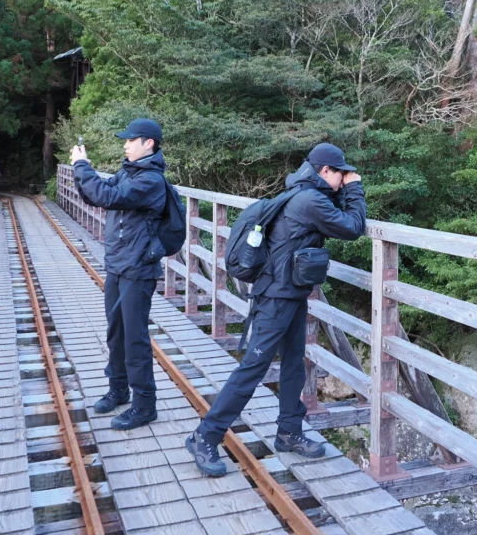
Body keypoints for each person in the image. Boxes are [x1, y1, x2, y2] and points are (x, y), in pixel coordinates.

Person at [186, 142, 366, 476]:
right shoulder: (311, 200)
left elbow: (336, 216)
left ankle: (289, 432)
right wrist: (355, 188)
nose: (344, 179)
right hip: (277, 295)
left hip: (289, 292)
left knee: (294, 362)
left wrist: (344, 189)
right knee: (253, 367)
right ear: (325, 172)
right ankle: (205, 436)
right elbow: (353, 227)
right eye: (341, 173)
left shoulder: (305, 194)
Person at [70, 118, 167, 430]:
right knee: (116, 331)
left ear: (148, 143)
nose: (125, 144)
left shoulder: (150, 180)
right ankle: (118, 389)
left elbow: (109, 197)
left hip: (138, 269)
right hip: (118, 263)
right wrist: (80, 170)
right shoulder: (129, 171)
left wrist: (83, 165)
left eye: (130, 139)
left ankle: (144, 405)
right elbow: (96, 195)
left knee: (135, 337)